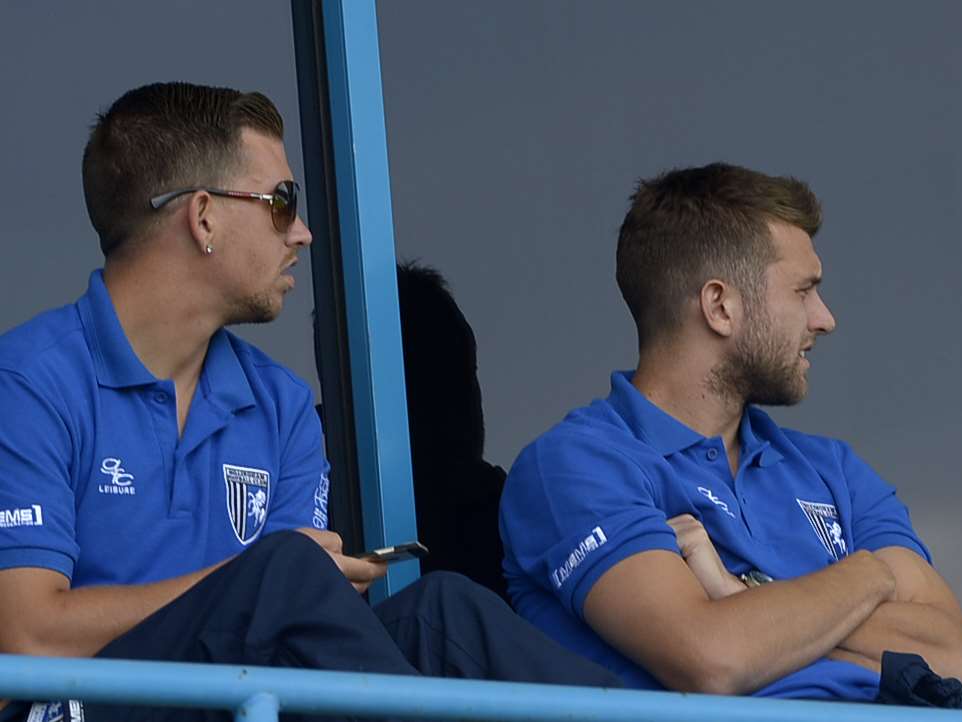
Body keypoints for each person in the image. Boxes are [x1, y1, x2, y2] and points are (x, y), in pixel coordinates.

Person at [0, 82, 619, 722]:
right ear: (204, 216)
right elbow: (25, 636)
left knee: (439, 614)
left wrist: (273, 580)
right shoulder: (27, 382)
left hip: (245, 701)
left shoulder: (280, 405)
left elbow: (289, 629)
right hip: (79, 709)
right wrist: (256, 576)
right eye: (280, 202)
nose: (302, 233)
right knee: (286, 570)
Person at [499, 163, 962, 703]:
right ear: (720, 307)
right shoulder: (577, 464)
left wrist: (736, 594)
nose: (824, 318)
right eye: (804, 291)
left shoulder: (834, 469)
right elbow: (713, 659)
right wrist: (870, 577)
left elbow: (952, 657)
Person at [396, 262, 508, 601]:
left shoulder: (505, 509)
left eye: (469, 374)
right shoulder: (304, 495)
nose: (472, 400)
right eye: (450, 379)